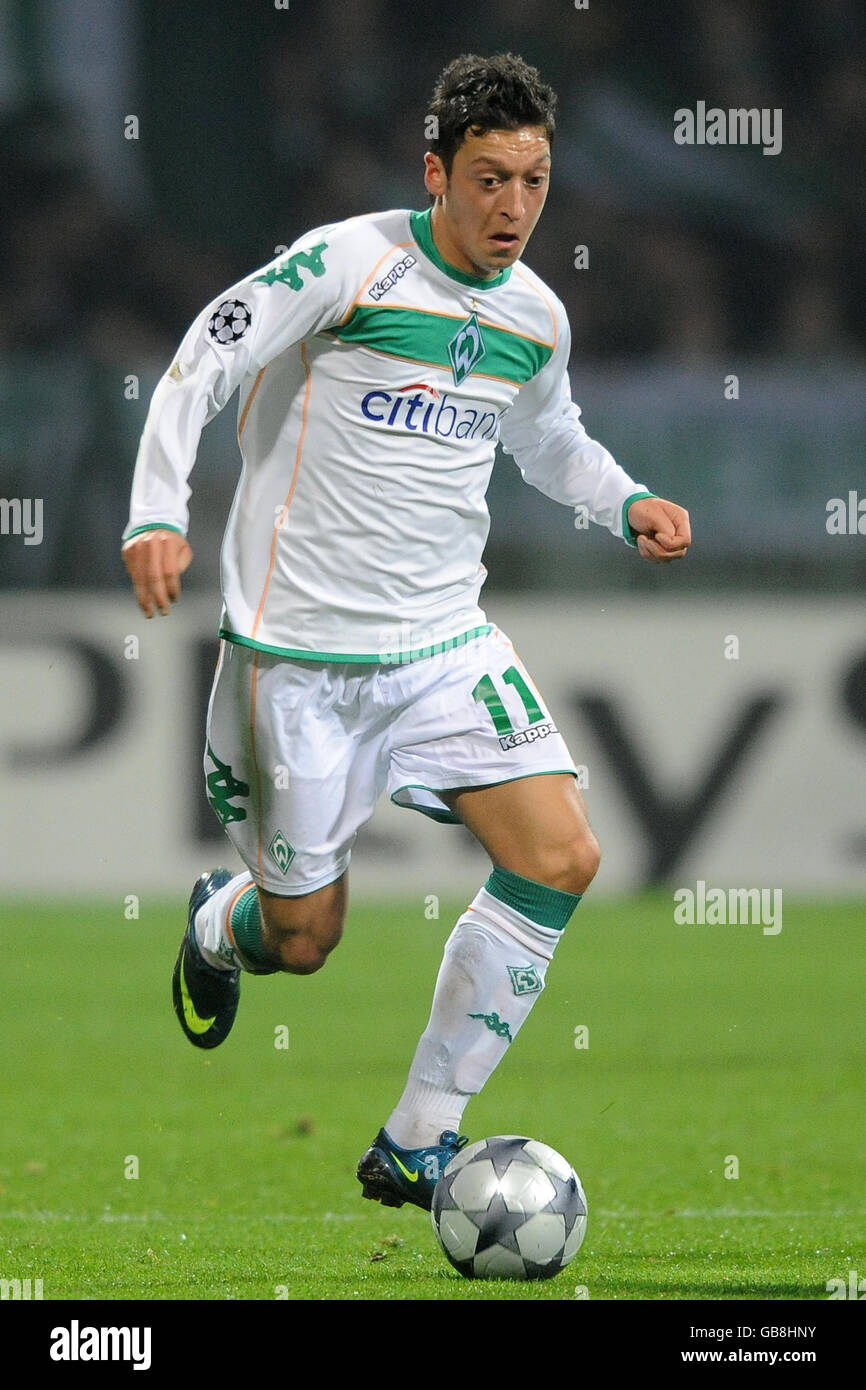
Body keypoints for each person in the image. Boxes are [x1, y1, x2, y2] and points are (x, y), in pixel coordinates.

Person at [122, 52, 691, 1212]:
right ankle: (222, 925)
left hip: (440, 646)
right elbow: (203, 354)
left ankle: (422, 1135)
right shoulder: (348, 264)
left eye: (533, 181)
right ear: (435, 171)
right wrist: (153, 511)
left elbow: (548, 440)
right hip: (296, 663)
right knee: (305, 939)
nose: (513, 208)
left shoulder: (534, 315)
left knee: (560, 856)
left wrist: (622, 498)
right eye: (487, 179)